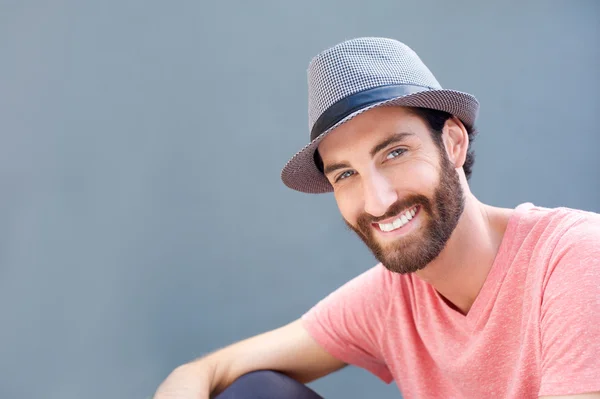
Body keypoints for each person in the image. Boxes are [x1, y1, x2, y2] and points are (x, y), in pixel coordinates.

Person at [153, 37, 600, 399]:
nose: (377, 200)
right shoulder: (395, 297)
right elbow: (203, 372)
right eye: (346, 174)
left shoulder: (574, 258)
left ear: (454, 143)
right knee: (259, 393)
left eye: (395, 153)